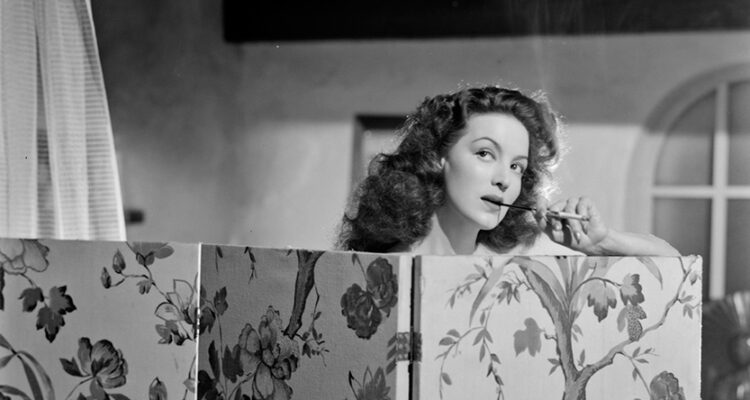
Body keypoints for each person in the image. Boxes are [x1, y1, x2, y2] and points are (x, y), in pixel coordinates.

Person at [336, 86, 679, 257]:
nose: (504, 179)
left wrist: (602, 243)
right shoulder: (383, 268)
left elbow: (675, 262)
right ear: (438, 155)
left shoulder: (517, 262)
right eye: (485, 153)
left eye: (517, 166)